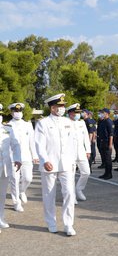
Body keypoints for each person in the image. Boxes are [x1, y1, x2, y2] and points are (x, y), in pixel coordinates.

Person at [34, 93, 77, 235]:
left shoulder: (68, 123)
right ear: (52, 108)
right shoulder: (43, 123)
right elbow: (39, 144)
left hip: (66, 164)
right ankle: (51, 222)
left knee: (69, 193)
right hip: (50, 164)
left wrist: (73, 161)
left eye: (63, 106)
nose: (62, 108)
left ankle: (68, 224)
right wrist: (44, 160)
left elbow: (72, 144)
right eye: (59, 106)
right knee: (49, 195)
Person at [7, 103, 38, 212]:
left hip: (26, 156)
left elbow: (32, 141)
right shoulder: (8, 125)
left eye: (19, 111)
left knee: (28, 178)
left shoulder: (28, 125)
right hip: (13, 157)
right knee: (14, 180)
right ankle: (16, 202)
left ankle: (22, 191)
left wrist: (35, 155)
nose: (18, 113)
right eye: (15, 111)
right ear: (11, 112)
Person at [0, 103, 22, 232]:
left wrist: (18, 158)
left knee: (2, 195)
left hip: (5, 167)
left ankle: (1, 218)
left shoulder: (7, 129)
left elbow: (15, 144)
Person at [67, 103, 91, 201]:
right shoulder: (65, 123)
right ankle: (72, 196)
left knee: (86, 172)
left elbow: (86, 137)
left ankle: (79, 189)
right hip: (70, 153)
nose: (77, 114)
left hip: (81, 152)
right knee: (71, 175)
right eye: (75, 112)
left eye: (78, 112)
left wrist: (88, 150)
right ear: (70, 113)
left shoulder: (81, 123)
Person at [97, 108, 114, 180]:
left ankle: (109, 174)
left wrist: (110, 144)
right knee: (104, 158)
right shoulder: (103, 121)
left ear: (106, 113)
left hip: (107, 142)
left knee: (108, 159)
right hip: (102, 141)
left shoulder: (109, 121)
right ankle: (106, 173)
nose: (101, 114)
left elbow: (111, 134)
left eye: (103, 113)